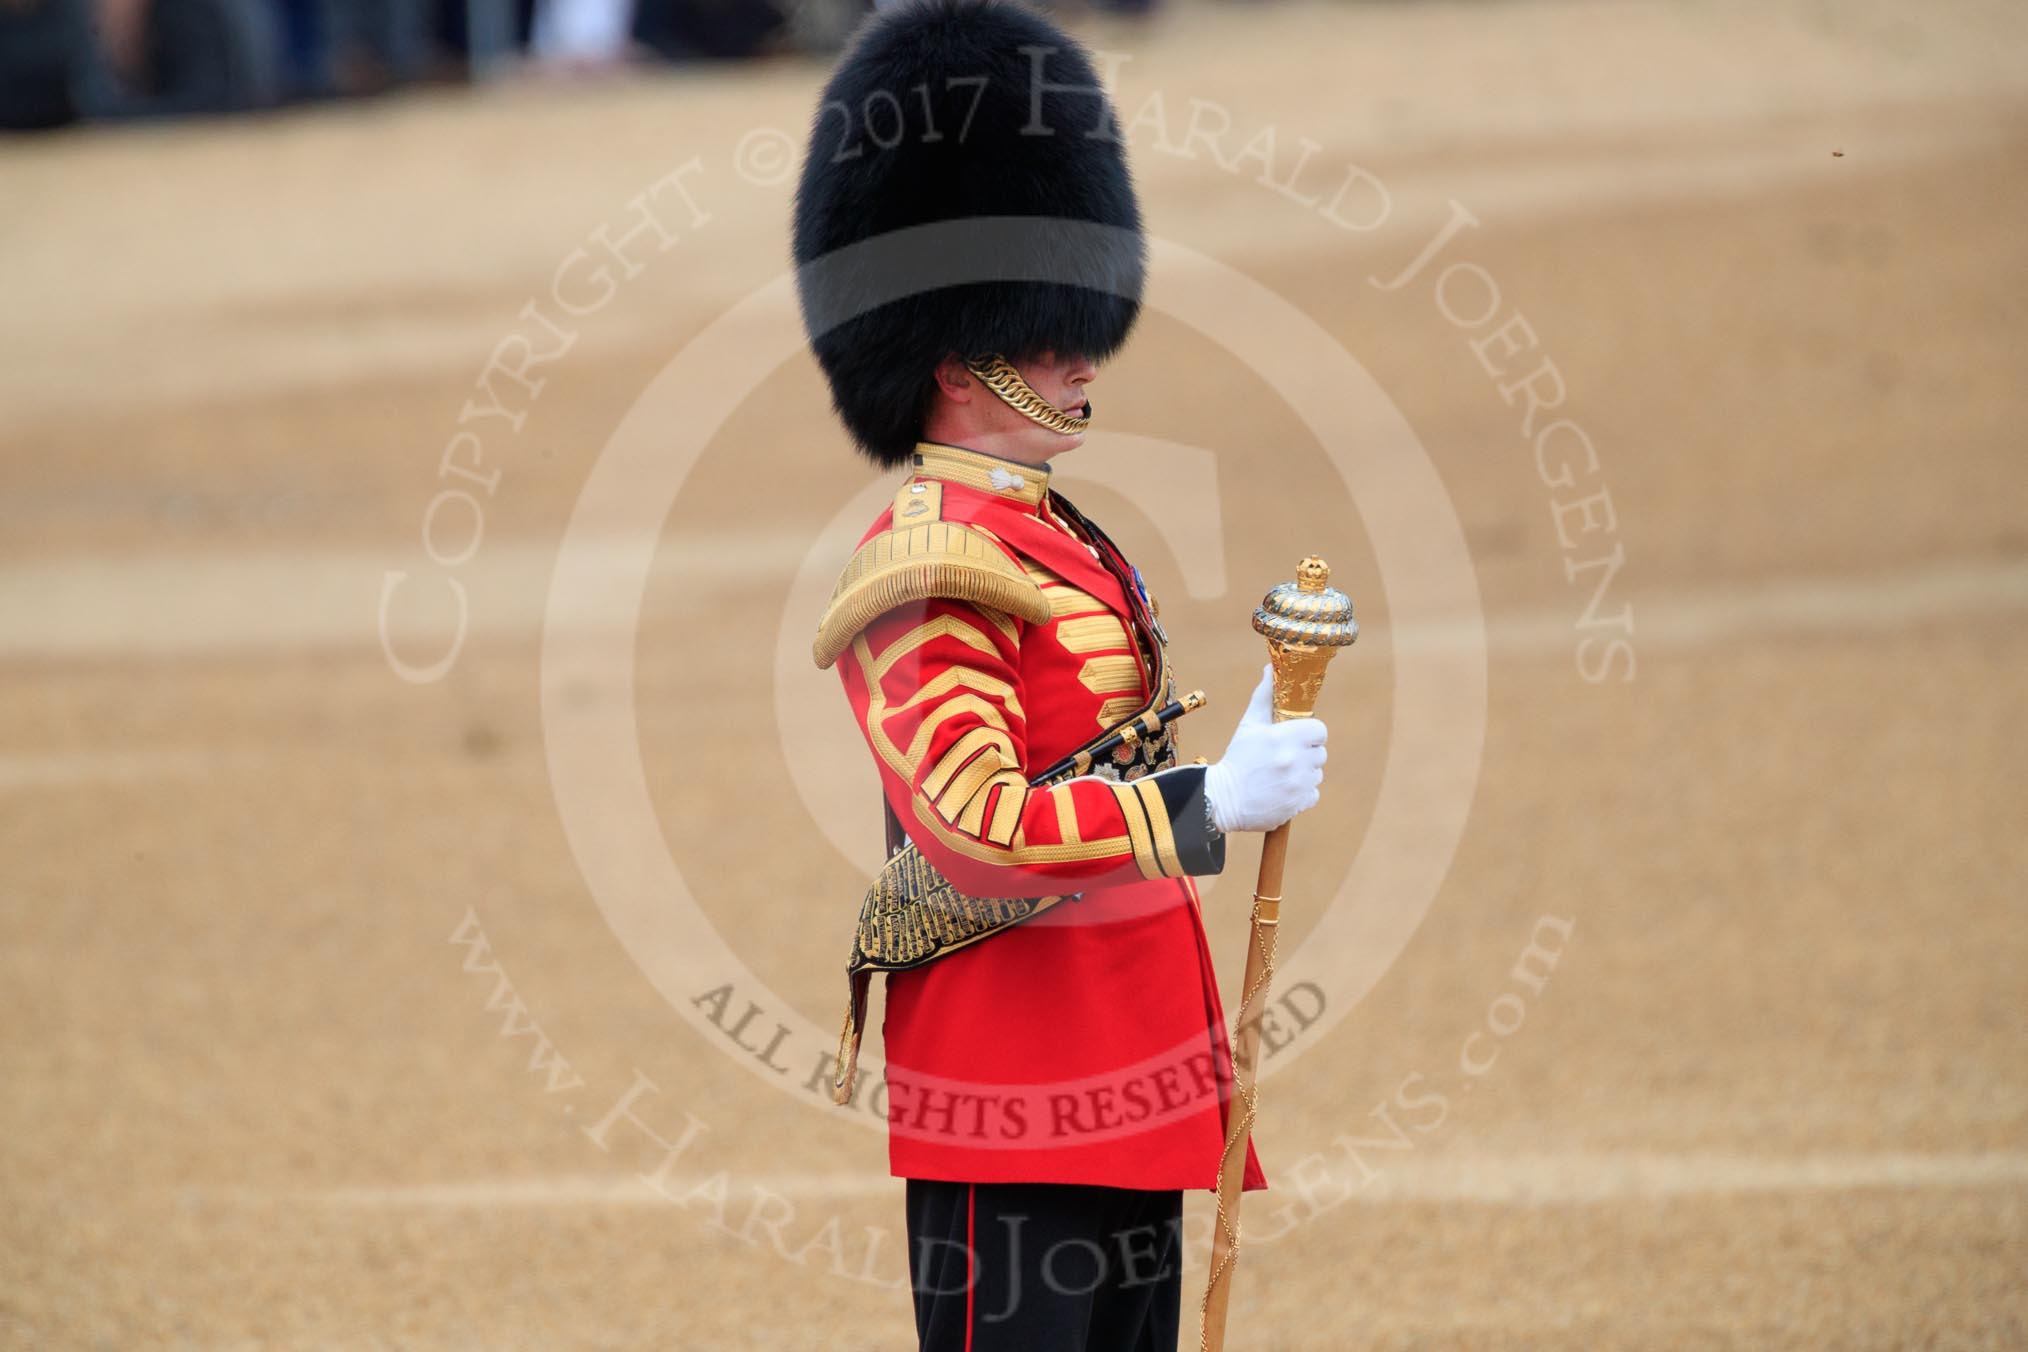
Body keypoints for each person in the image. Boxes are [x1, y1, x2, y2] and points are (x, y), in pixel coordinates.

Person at [793, 2, 1329, 1347]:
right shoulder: (930, 562)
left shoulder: (1054, 533)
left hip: (1126, 1058)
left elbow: (1089, 750)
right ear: (954, 357)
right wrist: (1206, 799)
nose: (1078, 353)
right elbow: (971, 826)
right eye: (1039, 332)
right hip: (1016, 1077)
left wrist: (1225, 760)